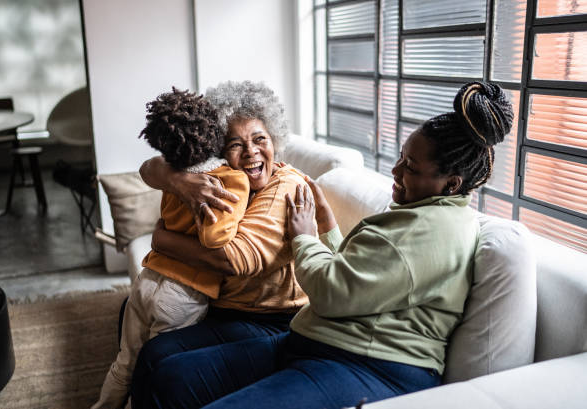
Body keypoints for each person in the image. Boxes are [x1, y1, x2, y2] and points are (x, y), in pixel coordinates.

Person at [132, 81, 514, 409]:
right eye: (401, 158)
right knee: (167, 375)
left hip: (368, 363)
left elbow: (330, 292)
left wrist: (304, 237)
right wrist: (329, 229)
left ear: (451, 184)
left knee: (173, 376)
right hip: (318, 340)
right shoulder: (421, 214)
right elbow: (363, 273)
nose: (395, 172)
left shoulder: (430, 231)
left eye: (410, 167)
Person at [130, 81, 311, 408]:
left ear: (275, 141)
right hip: (223, 306)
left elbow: (234, 260)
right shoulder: (220, 177)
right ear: (218, 150)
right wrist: (177, 179)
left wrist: (161, 239)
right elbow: (149, 169)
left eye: (260, 139)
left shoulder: (285, 186)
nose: (252, 152)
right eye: (235, 144)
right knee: (134, 323)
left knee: (159, 358)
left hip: (270, 319)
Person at [92, 88, 250, 409]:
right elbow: (215, 238)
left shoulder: (173, 171)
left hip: (148, 279)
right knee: (151, 373)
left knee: (125, 361)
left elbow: (151, 173)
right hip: (182, 294)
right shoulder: (230, 179)